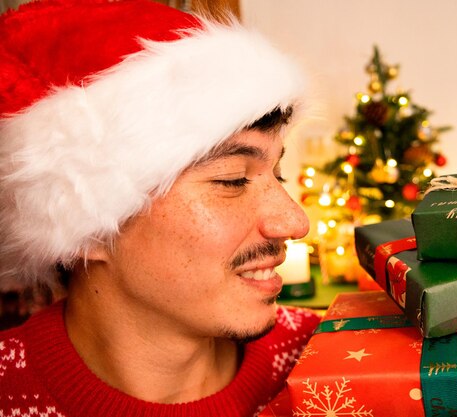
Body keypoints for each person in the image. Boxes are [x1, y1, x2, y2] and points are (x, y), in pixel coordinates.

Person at [0, 1, 320, 415]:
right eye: (232, 179)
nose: (295, 222)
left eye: (278, 174)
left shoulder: (330, 364)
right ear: (88, 228)